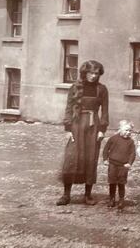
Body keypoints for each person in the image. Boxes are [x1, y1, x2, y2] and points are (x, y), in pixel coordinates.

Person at [56, 60, 109, 206]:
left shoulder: (102, 89)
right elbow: (68, 108)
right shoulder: (75, 87)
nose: (93, 76)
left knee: (90, 159)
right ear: (84, 73)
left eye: (96, 74)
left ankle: (88, 195)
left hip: (93, 126)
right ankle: (66, 195)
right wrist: (68, 129)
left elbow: (105, 111)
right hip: (77, 125)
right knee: (71, 159)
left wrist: (102, 130)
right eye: (90, 73)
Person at [102, 120, 136, 209]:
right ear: (120, 129)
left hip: (123, 165)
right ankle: (111, 199)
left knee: (121, 183)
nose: (128, 133)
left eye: (130, 131)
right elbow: (106, 149)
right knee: (112, 182)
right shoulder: (113, 139)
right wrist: (105, 159)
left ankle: (121, 200)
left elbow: (132, 153)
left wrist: (129, 163)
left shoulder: (130, 142)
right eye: (126, 130)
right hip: (112, 164)